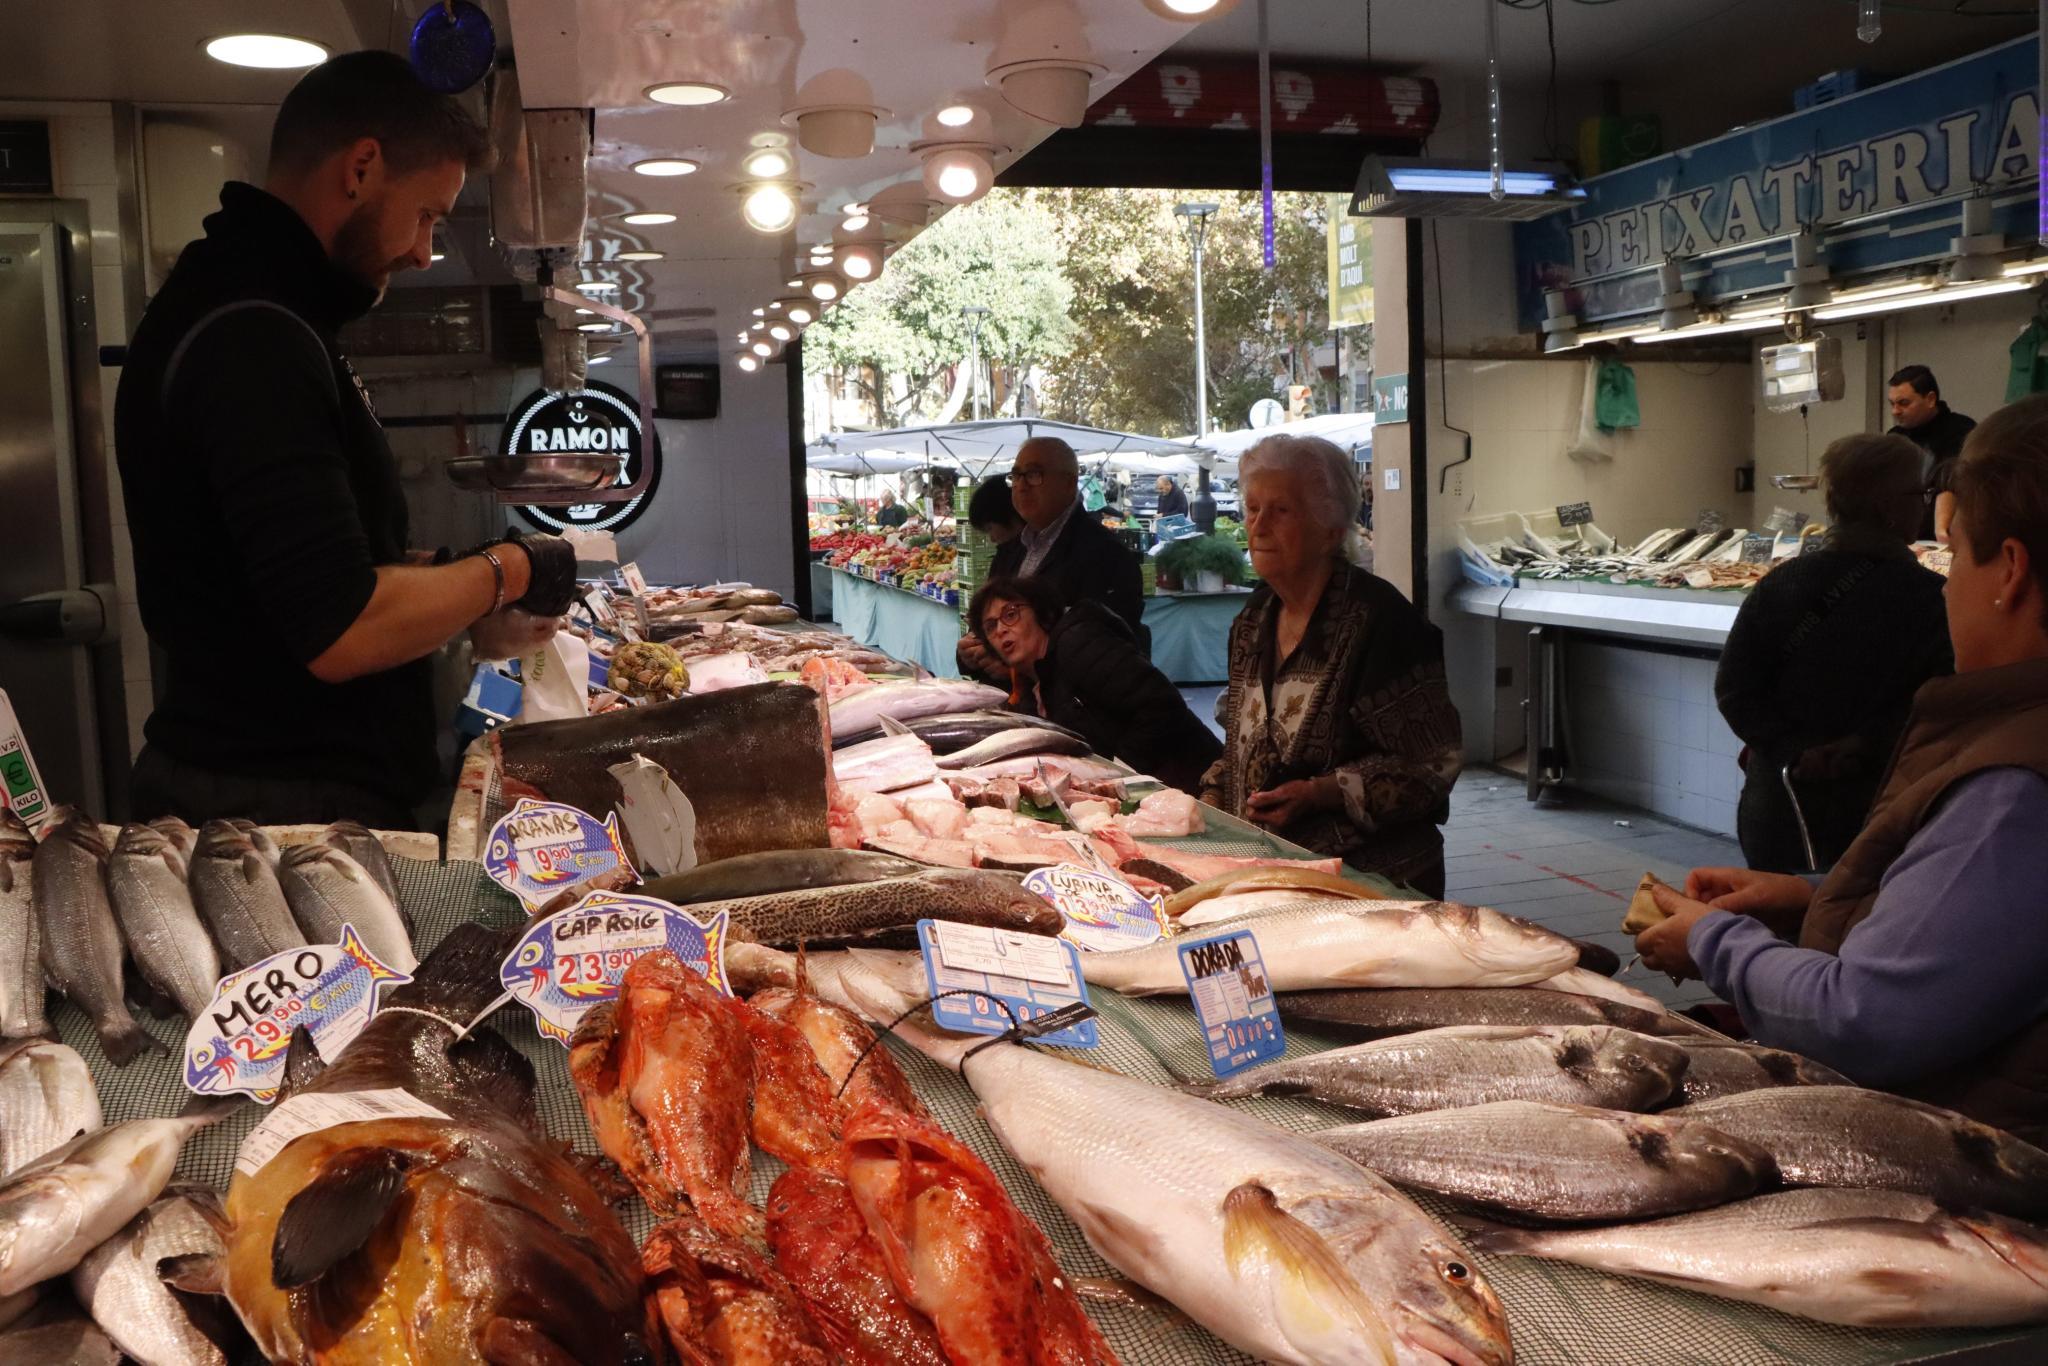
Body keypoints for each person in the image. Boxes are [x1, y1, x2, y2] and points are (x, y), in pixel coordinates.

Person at [114, 52, 577, 828]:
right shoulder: (252, 333)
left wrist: (454, 601)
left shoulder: (270, 311)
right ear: (361, 167)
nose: (425, 251)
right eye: (428, 213)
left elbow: (304, 576)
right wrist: (512, 566)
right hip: (269, 819)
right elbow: (338, 625)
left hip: (284, 798)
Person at [1637, 395, 2048, 1143]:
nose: (1945, 575)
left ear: (2010, 572)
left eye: (1954, 551)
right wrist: (1810, 894)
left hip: (1966, 1176)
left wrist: (1712, 942)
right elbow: (1969, 914)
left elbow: (1863, 1018)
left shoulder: (2014, 791)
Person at [1200, 435, 1462, 896]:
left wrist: (1320, 792)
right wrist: (1211, 796)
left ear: (1330, 530)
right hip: (1272, 876)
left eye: (1281, 511)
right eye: (1253, 508)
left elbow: (1432, 766)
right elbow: (1246, 750)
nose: (1258, 526)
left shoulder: (1381, 622)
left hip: (1375, 886)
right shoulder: (1253, 620)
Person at [1714, 434, 1952, 873]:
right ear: (1887, 506)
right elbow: (1940, 702)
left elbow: (1734, 690)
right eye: (1920, 494)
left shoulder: (1780, 584)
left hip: (1781, 802)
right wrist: (1862, 746)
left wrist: (1794, 750)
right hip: (1882, 806)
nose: (1924, 505)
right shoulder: (1930, 599)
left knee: (1776, 924)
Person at [969, 576, 1220, 794]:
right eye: (990, 627)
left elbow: (1161, 705)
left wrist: (1117, 774)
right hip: (1143, 795)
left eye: (1010, 614)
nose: (1001, 629)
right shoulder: (1030, 690)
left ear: (1040, 613)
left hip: (1193, 784)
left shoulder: (1078, 644)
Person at [993, 436, 1146, 642]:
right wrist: (973, 650)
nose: (1021, 485)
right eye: (1016, 475)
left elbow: (1107, 647)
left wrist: (1021, 661)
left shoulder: (1107, 555)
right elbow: (988, 620)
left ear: (1068, 483)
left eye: (1033, 474)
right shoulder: (1010, 550)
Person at [1886, 364, 1976, 540]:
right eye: (1892, 404)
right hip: (1903, 536)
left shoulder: (1961, 429)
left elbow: (1949, 481)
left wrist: (1942, 531)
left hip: (1948, 537)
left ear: (1930, 399)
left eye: (1904, 403)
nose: (1895, 411)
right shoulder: (1895, 437)